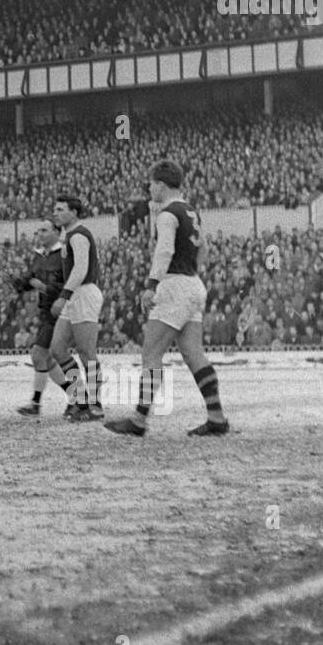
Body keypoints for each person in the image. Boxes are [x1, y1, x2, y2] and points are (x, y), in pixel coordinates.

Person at [105, 160, 230, 438]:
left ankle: (138, 420)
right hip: (194, 284)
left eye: (151, 184)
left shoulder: (166, 213)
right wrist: (190, 274)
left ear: (161, 184)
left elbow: (164, 251)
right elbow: (204, 251)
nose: (149, 189)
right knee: (193, 353)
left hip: (174, 285)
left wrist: (152, 285)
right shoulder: (191, 211)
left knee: (151, 353)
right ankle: (216, 417)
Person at [46, 194, 105, 423]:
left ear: (74, 212)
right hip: (74, 294)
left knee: (86, 352)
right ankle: (80, 398)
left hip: (84, 292)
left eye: (61, 209)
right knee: (58, 349)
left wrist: (63, 296)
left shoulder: (79, 235)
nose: (56, 213)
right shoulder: (68, 235)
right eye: (55, 209)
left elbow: (81, 269)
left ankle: (96, 405)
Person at [15, 216, 67, 417]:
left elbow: (68, 285)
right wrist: (18, 283)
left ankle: (36, 404)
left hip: (59, 310)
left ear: (56, 232)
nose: (40, 234)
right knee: (47, 359)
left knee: (39, 355)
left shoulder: (63, 254)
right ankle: (77, 397)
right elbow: (30, 279)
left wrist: (44, 287)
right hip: (46, 310)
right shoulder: (38, 255)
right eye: (38, 231)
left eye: (44, 231)